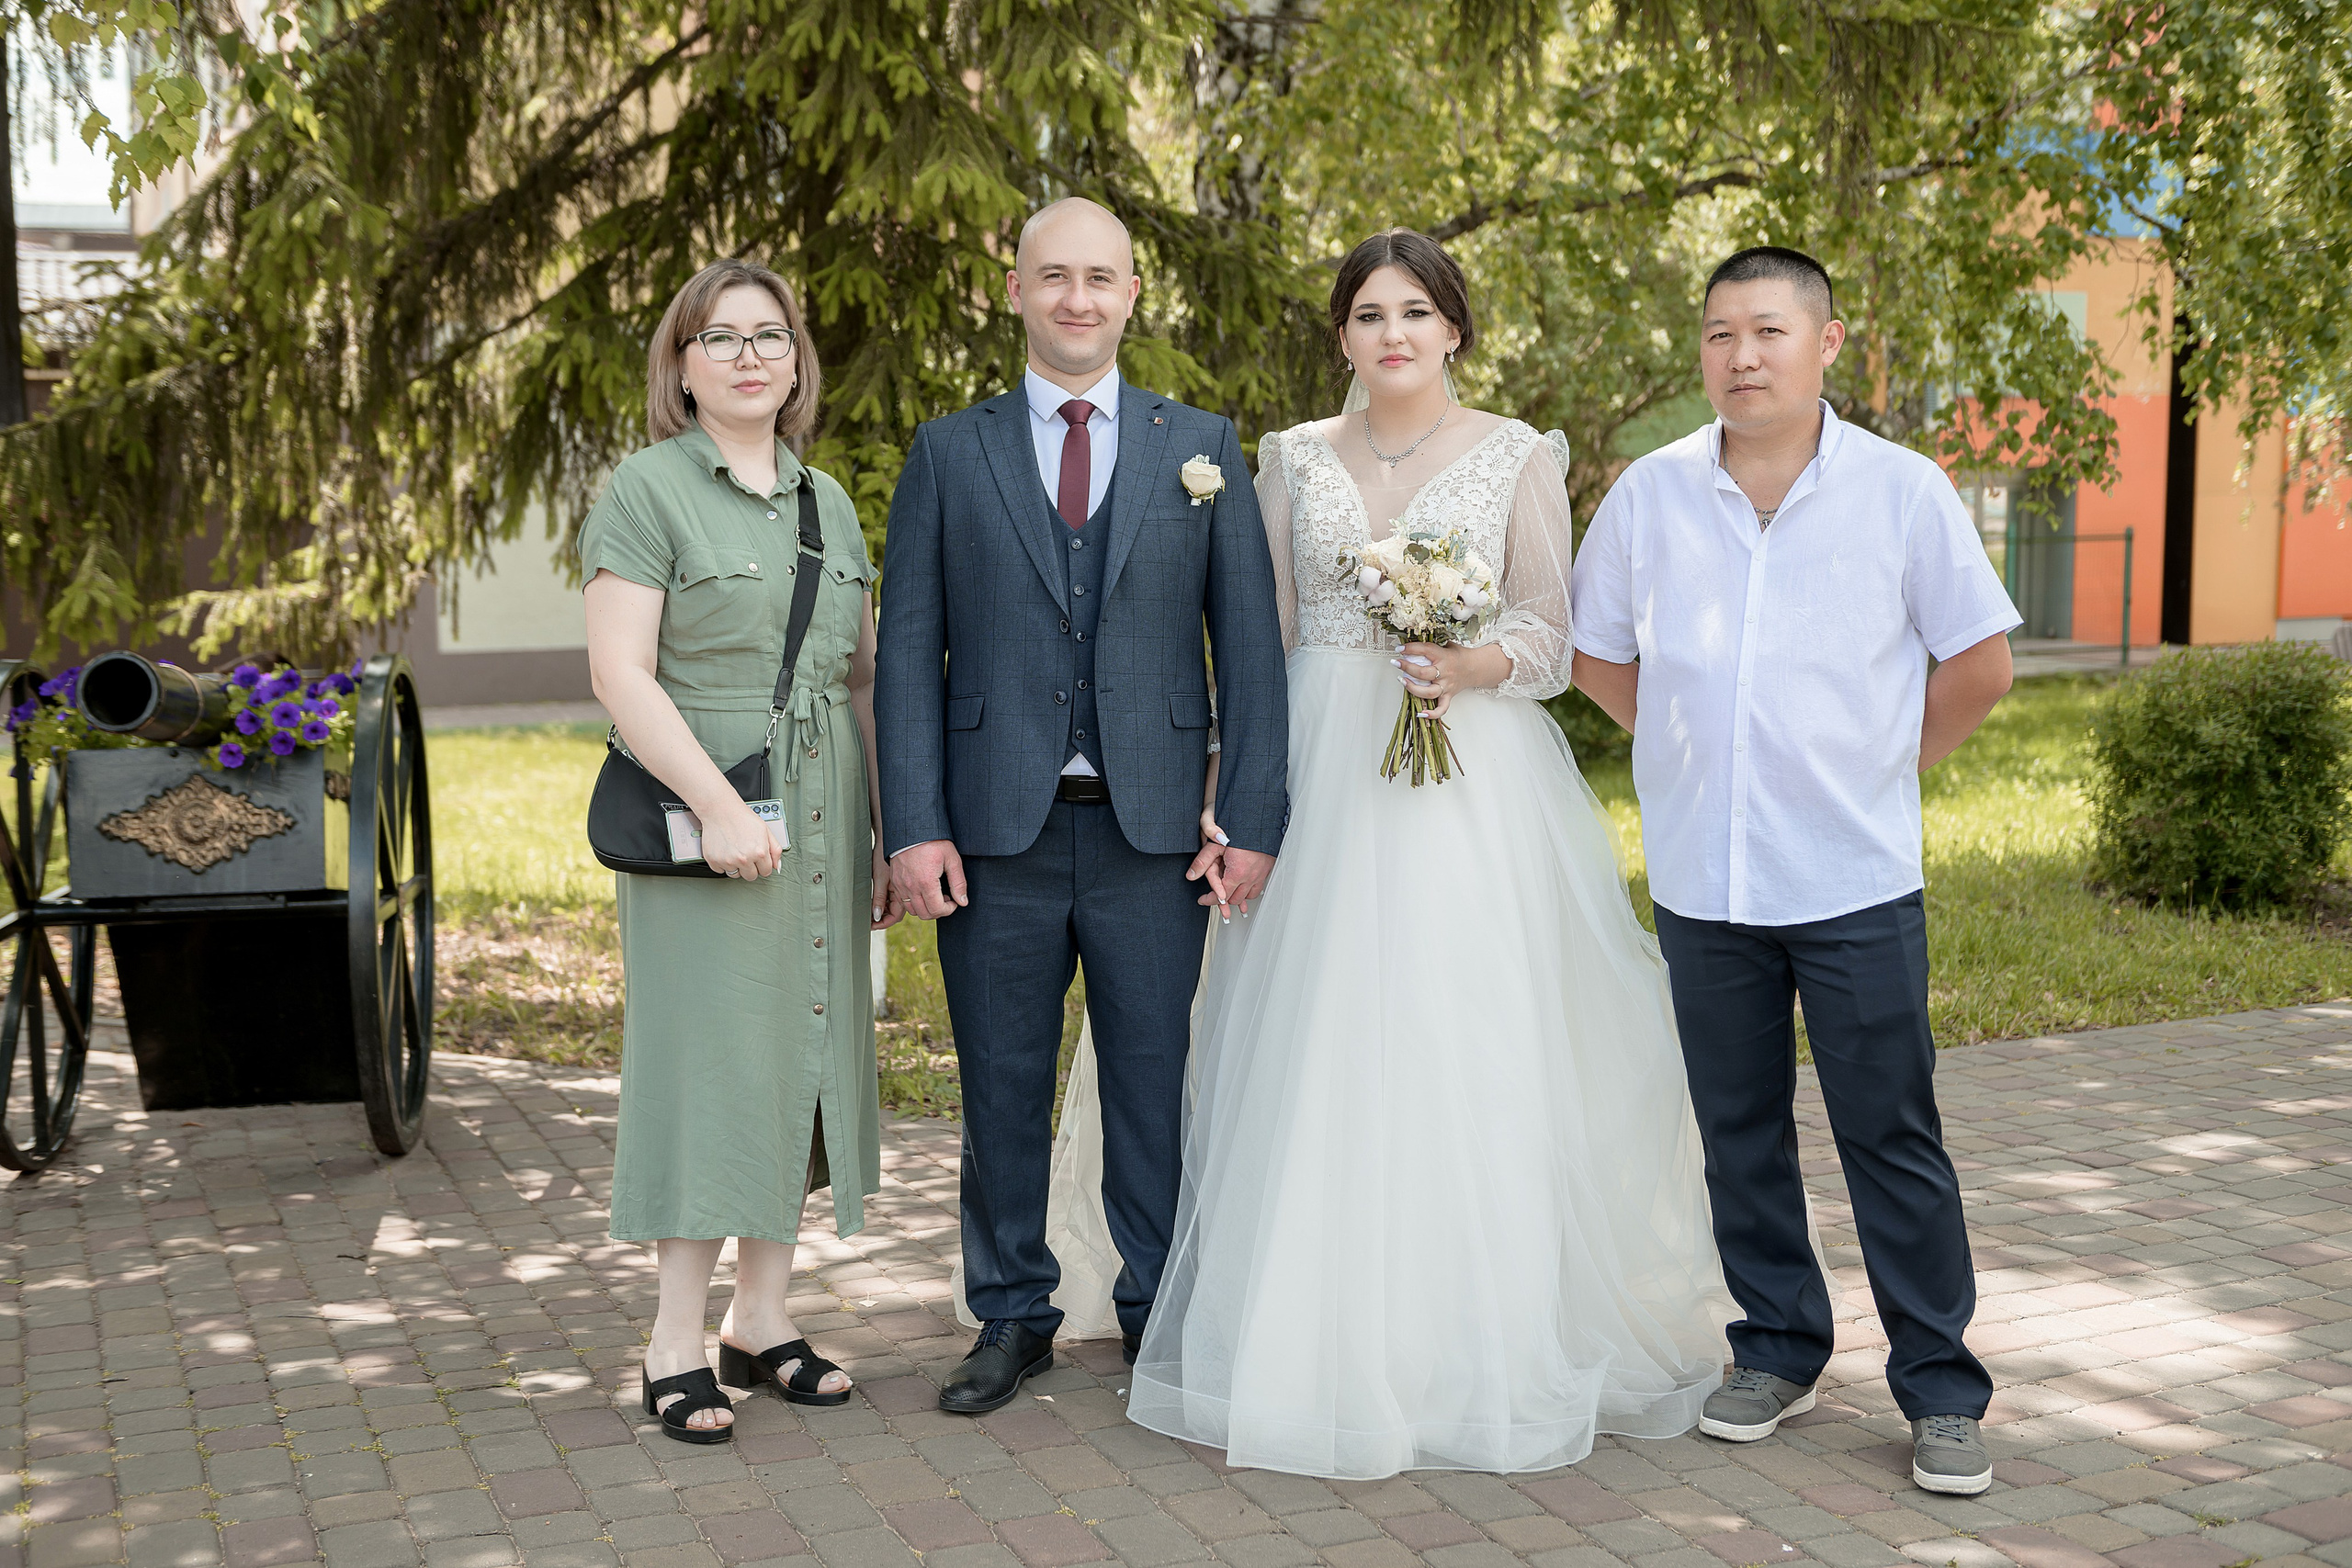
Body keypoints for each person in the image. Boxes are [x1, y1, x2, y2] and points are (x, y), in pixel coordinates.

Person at [1105, 228, 1734, 1479]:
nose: (1392, 333)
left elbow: (1550, 635)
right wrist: (1234, 781)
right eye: (1368, 314)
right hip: (1318, 763)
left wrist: (1466, 661)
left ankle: (1465, 1338)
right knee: (1317, 1032)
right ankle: (1311, 1330)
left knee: (1458, 1029)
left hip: (1465, 780)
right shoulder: (1292, 458)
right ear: (1342, 336)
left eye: (1414, 311)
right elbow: (1266, 630)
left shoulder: (1516, 454)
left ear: (1453, 327)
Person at [1570, 245, 2014, 1495]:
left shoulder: (1903, 490)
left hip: (1853, 878)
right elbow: (1598, 656)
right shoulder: (1651, 494)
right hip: (1704, 880)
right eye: (1721, 334)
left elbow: (1980, 664)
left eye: (1768, 330)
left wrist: (1880, 769)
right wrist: (1686, 751)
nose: (1743, 356)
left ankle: (1941, 1388)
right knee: (1739, 1132)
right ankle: (1775, 1346)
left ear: (1826, 344)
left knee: (1892, 1134)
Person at [874, 198, 1290, 1415]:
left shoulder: (1200, 446)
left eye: (1100, 278)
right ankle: (1012, 1312)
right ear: (1013, 291)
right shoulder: (949, 452)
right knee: (999, 1083)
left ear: (1132, 294)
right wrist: (914, 826)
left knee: (1153, 1085)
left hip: (1151, 835)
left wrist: (1251, 820)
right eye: (1053, 276)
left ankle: (1158, 1308)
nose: (1077, 298)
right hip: (991, 834)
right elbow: (908, 656)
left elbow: (1250, 652)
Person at [581, 259, 902, 1443]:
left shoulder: (830, 504)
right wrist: (718, 806)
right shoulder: (646, 490)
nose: (749, 356)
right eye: (720, 337)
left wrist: (881, 832)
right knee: (708, 1064)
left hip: (828, 810)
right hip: (700, 811)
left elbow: (859, 679)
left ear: (797, 359)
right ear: (682, 364)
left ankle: (761, 1319)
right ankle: (674, 1338)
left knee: (806, 1054)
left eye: (770, 335)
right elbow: (620, 672)